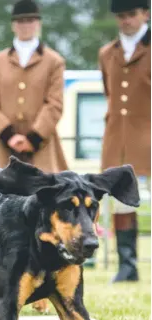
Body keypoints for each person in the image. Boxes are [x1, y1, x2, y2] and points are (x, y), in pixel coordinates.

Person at [0, 0, 68, 173]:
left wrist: (33, 138)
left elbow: (55, 104)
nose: (25, 25)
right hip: (3, 147)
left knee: (44, 195)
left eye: (30, 20)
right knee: (1, 196)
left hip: (42, 147)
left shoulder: (54, 62)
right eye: (20, 21)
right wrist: (9, 135)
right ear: (13, 24)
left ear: (38, 23)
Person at [99, 0, 150, 282]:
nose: (126, 21)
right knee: (122, 203)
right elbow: (110, 93)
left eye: (131, 14)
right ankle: (127, 265)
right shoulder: (107, 53)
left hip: (149, 136)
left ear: (145, 14)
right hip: (118, 141)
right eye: (121, 16)